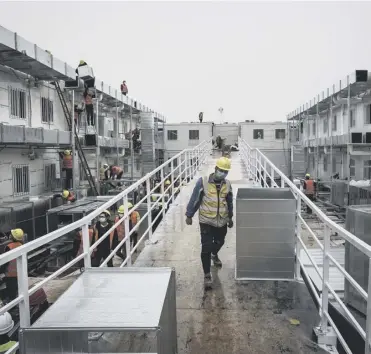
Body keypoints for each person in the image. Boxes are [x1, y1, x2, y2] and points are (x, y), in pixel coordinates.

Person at [185, 157, 233, 289]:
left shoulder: (227, 184)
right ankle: (207, 275)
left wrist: (230, 218)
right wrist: (189, 215)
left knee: (220, 242)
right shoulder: (203, 182)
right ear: (216, 168)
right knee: (206, 247)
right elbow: (195, 199)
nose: (223, 173)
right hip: (206, 221)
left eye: (225, 171)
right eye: (221, 170)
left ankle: (214, 254)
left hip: (221, 221)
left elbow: (229, 202)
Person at [0, 229, 25, 302]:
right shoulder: (21, 245)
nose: (10, 235)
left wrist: (1, 272)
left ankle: (11, 306)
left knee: (9, 292)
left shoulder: (9, 247)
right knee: (16, 291)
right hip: (19, 273)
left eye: (11, 234)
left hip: (10, 274)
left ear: (13, 237)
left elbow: (6, 262)